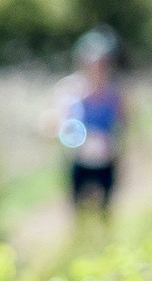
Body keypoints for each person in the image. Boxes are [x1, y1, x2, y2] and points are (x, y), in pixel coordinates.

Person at [53, 27, 128, 215]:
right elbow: (60, 122)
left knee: (106, 210)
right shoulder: (70, 90)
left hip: (106, 160)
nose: (96, 69)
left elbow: (123, 123)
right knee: (78, 210)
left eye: (101, 64)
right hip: (79, 160)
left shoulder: (115, 93)